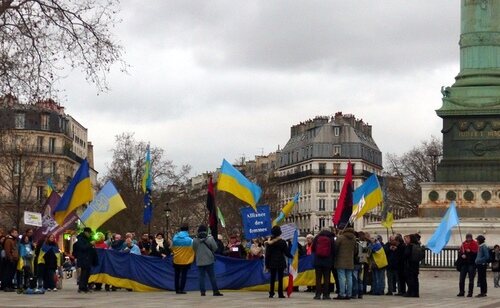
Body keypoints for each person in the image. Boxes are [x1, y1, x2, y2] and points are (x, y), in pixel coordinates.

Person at [192, 225, 223, 296]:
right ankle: (215, 291)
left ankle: (202, 292)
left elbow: (194, 249)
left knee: (201, 277)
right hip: (209, 259)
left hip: (200, 260)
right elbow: (215, 248)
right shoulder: (210, 238)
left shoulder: (195, 240)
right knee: (212, 276)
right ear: (206, 230)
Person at [265, 225, 292, 299]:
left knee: (272, 278)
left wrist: (267, 264)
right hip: (280, 261)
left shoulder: (269, 242)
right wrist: (292, 256)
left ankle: (271, 293)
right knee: (280, 278)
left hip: (272, 261)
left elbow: (267, 254)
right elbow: (286, 253)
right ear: (280, 233)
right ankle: (280, 293)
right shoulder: (282, 242)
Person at [311, 227, 334, 300]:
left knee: (318, 278)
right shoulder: (331, 238)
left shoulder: (317, 237)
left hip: (318, 260)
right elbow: (334, 249)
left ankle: (317, 294)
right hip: (328, 261)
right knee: (327, 279)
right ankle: (326, 295)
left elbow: (313, 248)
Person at [334, 227, 356, 300]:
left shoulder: (341, 237)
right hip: (350, 260)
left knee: (341, 278)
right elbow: (355, 250)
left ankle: (342, 294)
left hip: (340, 260)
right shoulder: (354, 239)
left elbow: (335, 247)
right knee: (349, 277)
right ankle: (349, 294)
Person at [73, 227, 97, 293]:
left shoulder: (87, 239)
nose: (90, 234)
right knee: (84, 273)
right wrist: (90, 244)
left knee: (87, 273)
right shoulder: (80, 239)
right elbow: (83, 248)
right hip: (83, 258)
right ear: (86, 232)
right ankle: (82, 287)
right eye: (89, 233)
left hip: (88, 258)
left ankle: (84, 286)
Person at [171, 224, 194, 294]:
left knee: (176, 275)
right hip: (185, 260)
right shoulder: (190, 240)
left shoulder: (175, 238)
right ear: (187, 230)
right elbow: (192, 250)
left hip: (176, 259)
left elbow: (172, 248)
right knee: (184, 275)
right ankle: (181, 289)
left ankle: (177, 289)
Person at [2, 228, 19, 292]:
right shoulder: (8, 240)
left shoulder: (14, 240)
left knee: (11, 273)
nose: (17, 234)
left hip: (14, 260)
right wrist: (11, 258)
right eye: (15, 233)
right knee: (8, 273)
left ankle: (9, 285)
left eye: (17, 233)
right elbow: (7, 251)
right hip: (10, 260)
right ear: (11, 233)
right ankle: (5, 286)